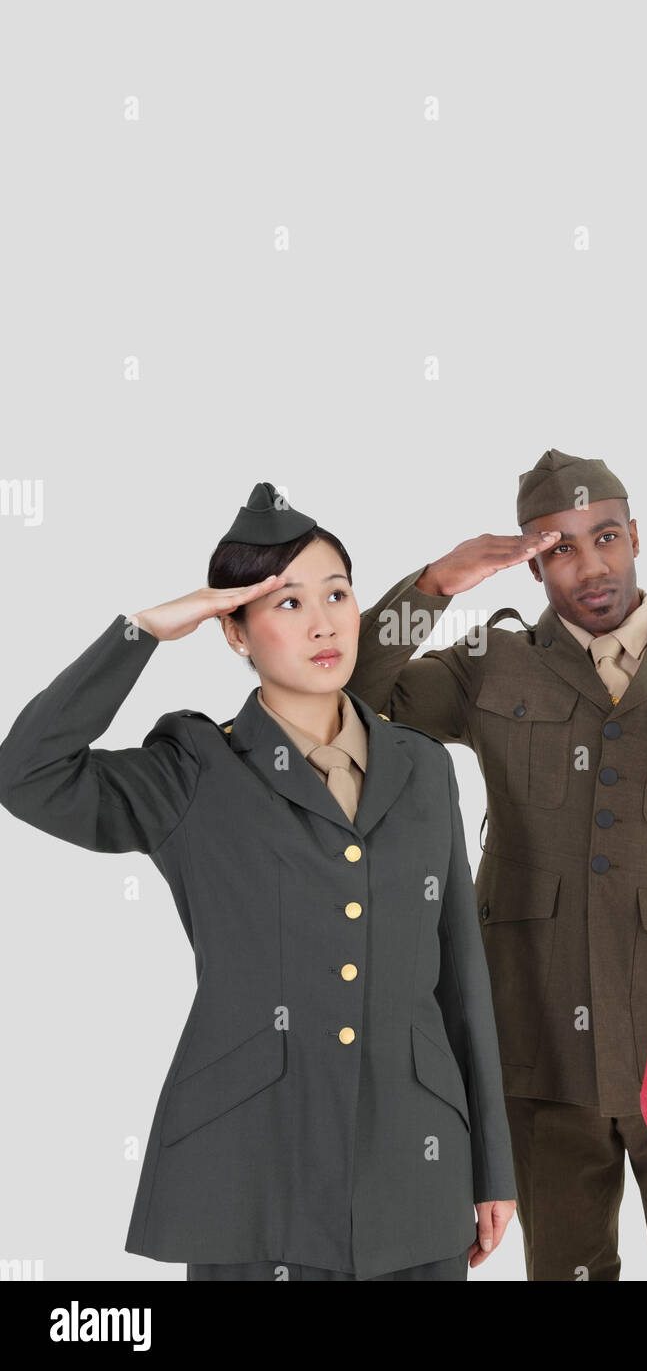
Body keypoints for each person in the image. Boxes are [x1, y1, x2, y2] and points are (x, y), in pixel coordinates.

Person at [0, 481, 516, 1282]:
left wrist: (491, 1167)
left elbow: (461, 976)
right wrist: (139, 633)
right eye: (285, 603)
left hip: (414, 1174)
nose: (322, 623)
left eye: (337, 594)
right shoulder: (193, 772)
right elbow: (26, 774)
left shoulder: (421, 766)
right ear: (233, 632)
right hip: (252, 1180)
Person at [345, 449, 647, 1281]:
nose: (590, 565)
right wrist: (434, 587)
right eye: (559, 548)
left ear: (637, 538)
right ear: (532, 564)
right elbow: (354, 695)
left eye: (606, 537)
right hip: (540, 1040)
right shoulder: (492, 663)